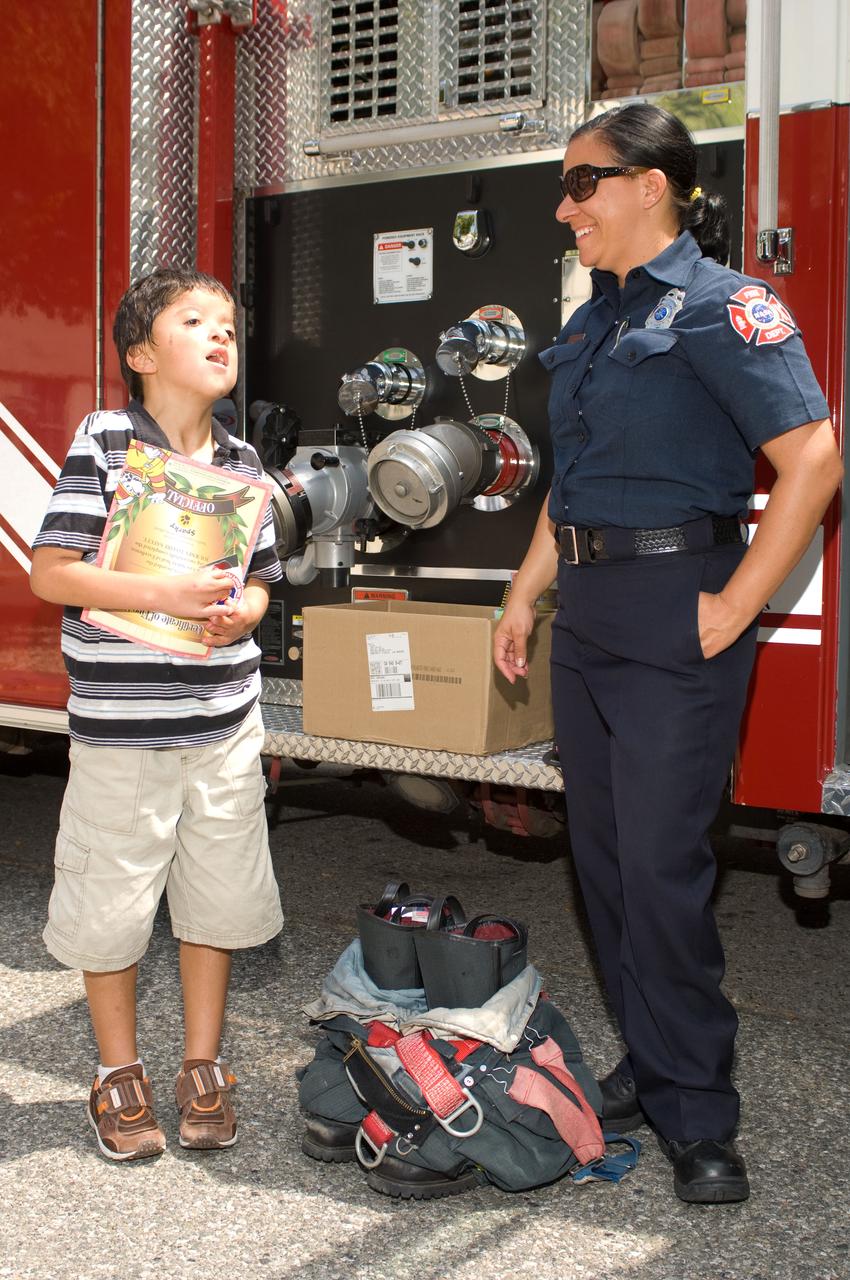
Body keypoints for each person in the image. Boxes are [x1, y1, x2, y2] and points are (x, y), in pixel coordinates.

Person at [493, 103, 842, 1204]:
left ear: (652, 184)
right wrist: (520, 595)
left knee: (662, 870)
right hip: (588, 613)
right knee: (601, 869)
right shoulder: (599, 320)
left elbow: (814, 457)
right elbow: (574, 479)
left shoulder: (723, 306)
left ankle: (701, 1114)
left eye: (582, 182)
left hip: (672, 607)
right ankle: (648, 1062)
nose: (566, 206)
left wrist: (736, 603)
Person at [30, 266, 284, 1161]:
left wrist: (236, 613)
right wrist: (163, 591)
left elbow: (263, 585)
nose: (223, 336)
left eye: (230, 325)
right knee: (114, 900)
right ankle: (118, 1071)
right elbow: (51, 572)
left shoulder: (245, 465)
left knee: (214, 902)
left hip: (223, 728)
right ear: (140, 355)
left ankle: (201, 1064)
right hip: (123, 735)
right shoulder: (106, 443)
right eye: (196, 322)